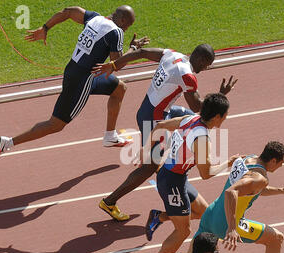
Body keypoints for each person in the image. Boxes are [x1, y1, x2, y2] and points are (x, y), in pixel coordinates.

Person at [94, 44, 237, 221]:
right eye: (207, 64)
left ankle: (165, 155)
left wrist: (115, 65)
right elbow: (199, 107)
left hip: (150, 109)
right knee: (150, 166)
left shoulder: (172, 54)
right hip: (155, 118)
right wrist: (221, 95)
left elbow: (142, 52)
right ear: (200, 59)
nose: (206, 68)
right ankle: (109, 202)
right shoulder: (188, 77)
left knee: (192, 119)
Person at [0, 5, 150, 164]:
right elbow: (116, 64)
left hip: (74, 70)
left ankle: (110, 136)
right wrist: (134, 49)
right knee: (56, 124)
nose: (127, 29)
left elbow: (69, 11)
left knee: (119, 88)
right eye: (128, 25)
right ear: (122, 20)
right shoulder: (116, 32)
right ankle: (8, 142)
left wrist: (45, 28)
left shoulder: (95, 18)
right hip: (82, 81)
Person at [141, 93, 239, 253]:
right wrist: (228, 163)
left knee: (204, 212)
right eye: (225, 115)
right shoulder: (201, 139)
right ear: (216, 117)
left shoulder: (190, 118)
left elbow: (161, 126)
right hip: (172, 183)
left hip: (176, 177)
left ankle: (159, 217)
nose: (226, 118)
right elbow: (206, 174)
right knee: (183, 231)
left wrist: (146, 149)